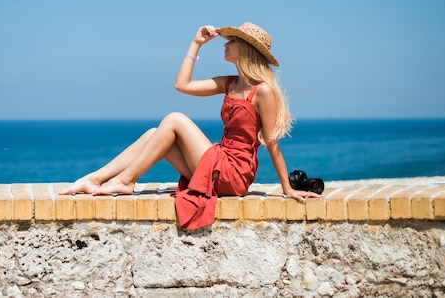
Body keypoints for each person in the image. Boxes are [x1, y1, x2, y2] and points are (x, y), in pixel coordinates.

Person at [58, 22, 322, 229]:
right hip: (219, 160)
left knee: (174, 119)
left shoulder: (263, 91)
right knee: (154, 134)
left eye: (232, 41)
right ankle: (93, 179)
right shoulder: (229, 83)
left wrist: (287, 189)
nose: (225, 44)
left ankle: (126, 181)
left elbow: (272, 142)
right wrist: (196, 44)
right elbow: (181, 85)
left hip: (234, 173)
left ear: (246, 49)